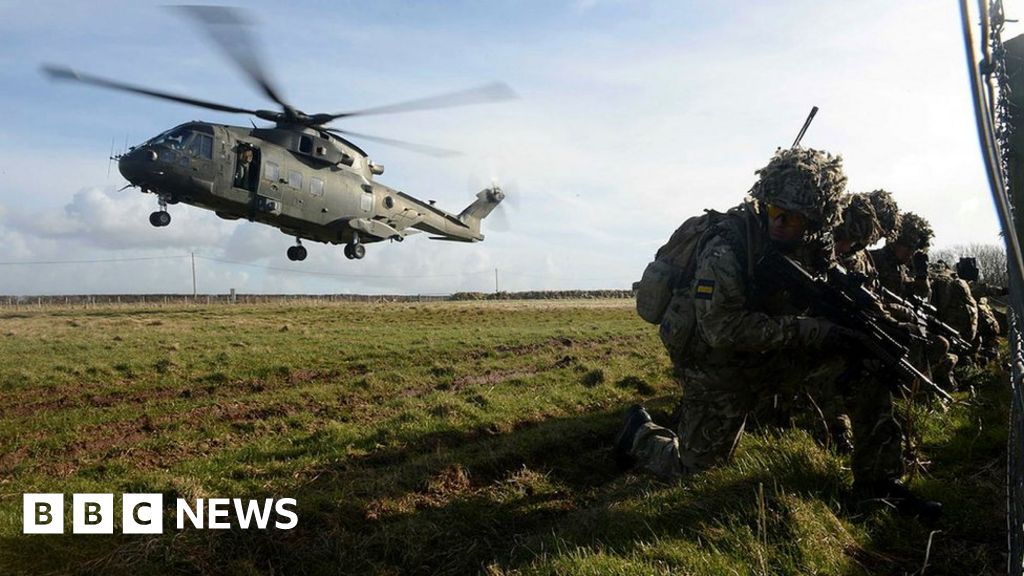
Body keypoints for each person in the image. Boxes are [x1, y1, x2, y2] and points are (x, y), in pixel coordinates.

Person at [616, 147, 941, 518]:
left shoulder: (815, 245)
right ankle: (639, 435)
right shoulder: (727, 247)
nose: (781, 224)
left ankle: (879, 486)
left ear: (818, 221)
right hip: (716, 364)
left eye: (795, 219)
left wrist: (877, 319)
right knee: (695, 470)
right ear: (764, 201)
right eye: (775, 212)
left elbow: (835, 287)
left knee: (865, 363)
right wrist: (812, 331)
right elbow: (721, 328)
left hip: (770, 352)